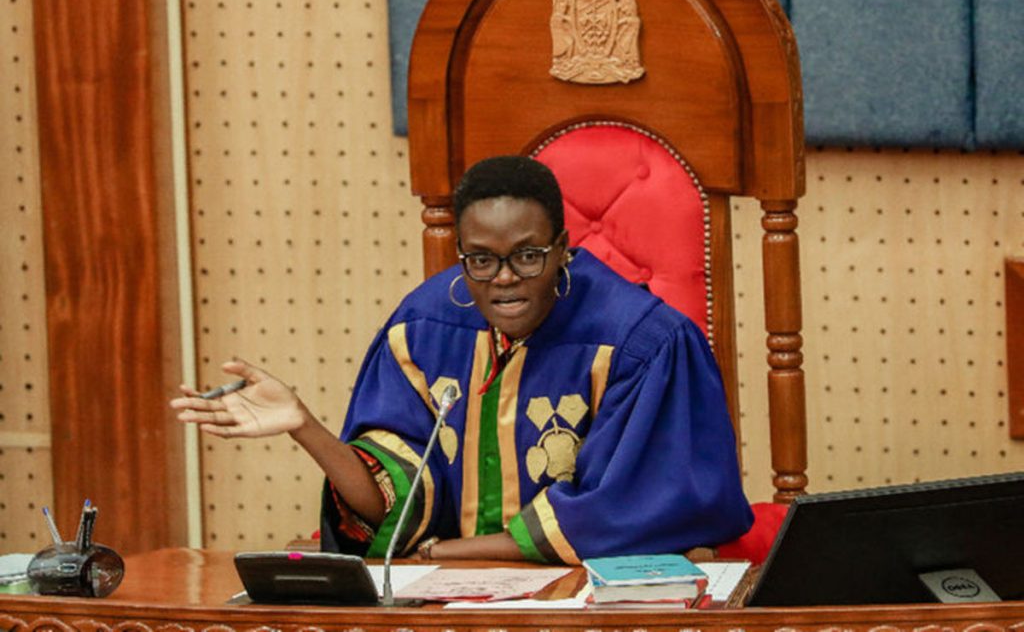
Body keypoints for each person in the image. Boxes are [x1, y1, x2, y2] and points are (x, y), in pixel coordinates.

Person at [171, 155, 753, 563]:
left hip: (586, 603)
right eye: (480, 259)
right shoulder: (424, 328)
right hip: (450, 602)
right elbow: (392, 508)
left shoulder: (639, 340)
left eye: (527, 255)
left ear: (563, 249)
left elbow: (635, 510)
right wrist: (306, 427)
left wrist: (455, 552)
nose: (504, 280)